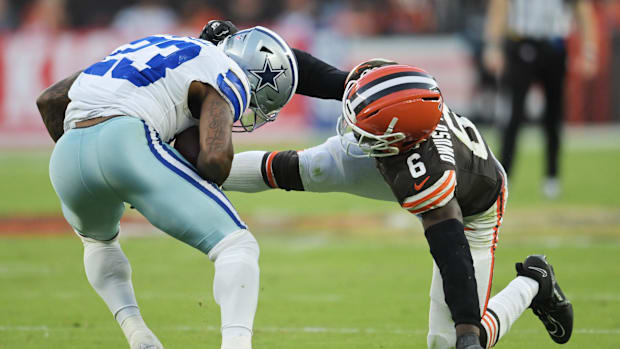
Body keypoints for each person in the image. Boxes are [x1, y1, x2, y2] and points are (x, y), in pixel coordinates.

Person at [218, 62, 574, 349]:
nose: (352, 131)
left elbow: (452, 255)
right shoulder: (390, 89)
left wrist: (468, 331)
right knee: (310, 165)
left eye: (365, 129)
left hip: (474, 209)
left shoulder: (427, 176)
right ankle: (198, 168)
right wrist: (249, 58)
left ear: (396, 140)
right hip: (401, 156)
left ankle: (533, 283)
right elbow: (312, 73)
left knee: (449, 342)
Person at [36, 26, 299, 349]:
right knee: (237, 246)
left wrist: (94, 164)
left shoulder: (154, 43)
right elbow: (215, 160)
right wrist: (155, 169)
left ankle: (138, 335)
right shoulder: (230, 71)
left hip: (66, 156)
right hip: (126, 143)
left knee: (99, 243)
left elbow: (49, 100)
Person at [483, 0, 598, 198]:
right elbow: (499, 5)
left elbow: (582, 8)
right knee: (513, 115)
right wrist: (492, 46)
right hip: (521, 42)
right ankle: (504, 175)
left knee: (554, 115)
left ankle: (552, 177)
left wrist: (589, 51)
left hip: (554, 44)